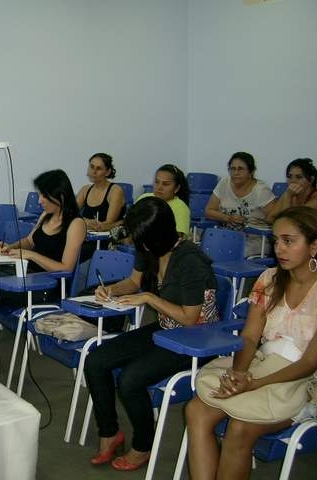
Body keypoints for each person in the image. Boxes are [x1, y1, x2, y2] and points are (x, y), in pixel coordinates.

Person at [185, 206, 317, 480]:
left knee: (240, 428)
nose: (279, 249)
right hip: (262, 365)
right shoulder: (269, 279)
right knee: (196, 410)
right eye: (276, 240)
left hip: (303, 381)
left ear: (314, 246)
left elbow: (310, 362)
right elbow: (249, 337)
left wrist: (254, 383)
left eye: (289, 241)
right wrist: (239, 373)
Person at [83, 196, 219, 472]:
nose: (138, 246)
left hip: (196, 339)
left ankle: (144, 445)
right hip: (167, 328)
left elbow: (189, 318)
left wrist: (149, 298)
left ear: (158, 236)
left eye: (142, 240)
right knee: (96, 360)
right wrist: (110, 290)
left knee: (131, 380)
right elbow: (134, 282)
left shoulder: (190, 260)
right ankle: (109, 433)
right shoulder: (149, 247)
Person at [0, 169, 86, 374]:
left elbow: (66, 267)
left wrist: (31, 256)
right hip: (26, 278)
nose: (40, 200)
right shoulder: (46, 216)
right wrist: (11, 247)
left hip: (48, 289)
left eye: (44, 196)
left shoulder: (76, 224)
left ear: (59, 196)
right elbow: (30, 241)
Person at [205, 152, 276, 256]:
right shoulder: (225, 182)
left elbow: (274, 219)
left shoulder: (261, 191)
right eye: (232, 169)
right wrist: (227, 218)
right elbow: (209, 211)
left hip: (255, 238)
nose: (236, 173)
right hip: (227, 234)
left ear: (251, 171)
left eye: (240, 169)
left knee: (229, 252)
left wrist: (249, 223)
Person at [135, 163, 190, 238]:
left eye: (166, 184)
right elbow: (129, 223)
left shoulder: (180, 208)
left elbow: (176, 239)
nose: (159, 187)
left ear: (176, 188)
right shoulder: (144, 198)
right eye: (157, 182)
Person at [267, 158, 317, 222]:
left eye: (299, 177)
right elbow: (269, 219)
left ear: (311, 180)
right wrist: (288, 195)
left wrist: (288, 197)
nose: (293, 181)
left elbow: (288, 222)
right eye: (289, 176)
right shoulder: (289, 192)